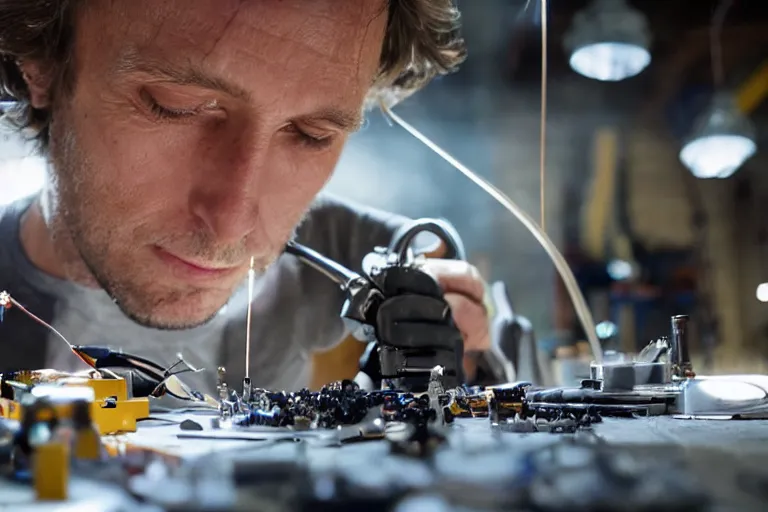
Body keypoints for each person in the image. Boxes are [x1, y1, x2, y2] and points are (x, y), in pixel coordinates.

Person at [0, 0, 491, 395]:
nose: (233, 225)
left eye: (311, 134)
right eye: (178, 108)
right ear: (40, 65)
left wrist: (444, 396)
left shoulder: (391, 260)